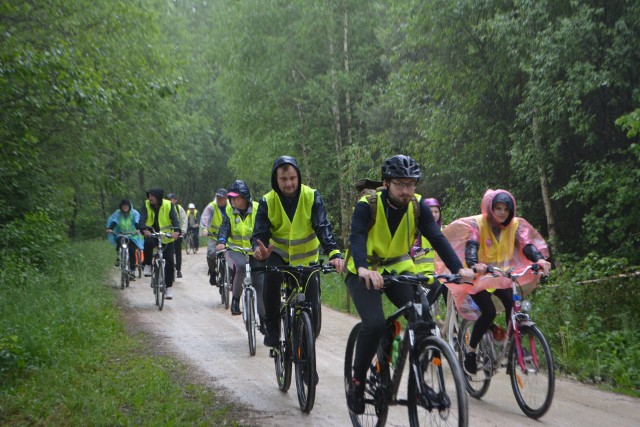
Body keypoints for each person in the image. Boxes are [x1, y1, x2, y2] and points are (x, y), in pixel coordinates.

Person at [344, 154, 475, 415]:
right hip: (364, 269)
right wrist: (362, 268)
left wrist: (458, 269)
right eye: (400, 184)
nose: (407, 190)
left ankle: (420, 383)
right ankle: (357, 382)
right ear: (386, 183)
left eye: (411, 184)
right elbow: (357, 237)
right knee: (374, 323)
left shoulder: (418, 206)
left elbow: (437, 238)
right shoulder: (367, 205)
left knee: (424, 319)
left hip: (398, 267)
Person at [436, 189, 551, 375]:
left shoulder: (515, 226)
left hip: (500, 276)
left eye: (506, 209)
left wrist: (538, 259)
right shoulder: (478, 225)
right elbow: (471, 246)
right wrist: (474, 265)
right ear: (491, 208)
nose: (502, 212)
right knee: (488, 312)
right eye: (498, 208)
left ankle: (515, 347)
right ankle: (471, 352)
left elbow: (526, 244)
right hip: (478, 278)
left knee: (513, 305)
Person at [251, 155, 345, 348]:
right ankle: (273, 328)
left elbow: (322, 226)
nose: (289, 183)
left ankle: (307, 356)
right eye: (283, 179)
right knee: (272, 277)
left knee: (313, 313)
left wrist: (334, 253)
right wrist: (258, 250)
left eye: (292, 178)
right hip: (278, 254)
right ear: (275, 180)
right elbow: (259, 233)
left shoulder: (311, 196)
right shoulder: (267, 201)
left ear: (299, 177)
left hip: (306, 259)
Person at [216, 180, 263, 317]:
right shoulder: (230, 211)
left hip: (255, 250)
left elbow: (262, 229)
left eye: (236, 198)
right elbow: (224, 228)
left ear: (245, 197)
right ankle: (236, 299)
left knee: (259, 283)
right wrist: (221, 241)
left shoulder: (258, 209)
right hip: (235, 250)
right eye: (231, 198)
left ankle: (264, 319)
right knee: (241, 266)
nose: (233, 201)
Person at [139, 188, 181, 300]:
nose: (150, 198)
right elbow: (142, 219)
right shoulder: (146, 204)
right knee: (147, 243)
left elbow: (175, 219)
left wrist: (177, 231)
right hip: (151, 233)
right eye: (149, 196)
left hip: (166, 236)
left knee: (170, 262)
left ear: (158, 197)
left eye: (152, 196)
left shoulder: (168, 205)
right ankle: (147, 264)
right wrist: (143, 229)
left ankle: (168, 288)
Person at [411, 198, 446, 300]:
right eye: (430, 212)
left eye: (436, 211)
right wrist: (418, 250)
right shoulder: (418, 232)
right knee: (426, 303)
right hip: (422, 274)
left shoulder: (445, 230)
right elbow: (409, 250)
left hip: (441, 273)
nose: (434, 214)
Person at [106, 199, 143, 278]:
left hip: (133, 235)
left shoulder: (134, 213)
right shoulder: (118, 213)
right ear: (121, 207)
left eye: (126, 206)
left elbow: (136, 222)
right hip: (121, 234)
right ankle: (119, 258)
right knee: (119, 243)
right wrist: (110, 228)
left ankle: (132, 270)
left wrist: (138, 229)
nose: (125, 207)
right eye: (123, 206)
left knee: (132, 250)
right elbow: (115, 221)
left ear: (129, 206)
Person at [200, 188, 229, 285]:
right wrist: (204, 229)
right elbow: (206, 218)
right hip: (213, 235)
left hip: (226, 236)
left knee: (231, 254)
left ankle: (228, 275)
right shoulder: (211, 207)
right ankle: (212, 272)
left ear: (226, 198)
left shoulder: (231, 206)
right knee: (211, 253)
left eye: (222, 198)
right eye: (218, 197)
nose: (219, 199)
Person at [168, 193, 187, 278]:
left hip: (177, 234)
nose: (169, 200)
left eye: (171, 199)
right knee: (169, 252)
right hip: (168, 234)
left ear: (175, 200)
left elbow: (184, 220)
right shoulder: (165, 207)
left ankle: (178, 270)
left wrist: (182, 231)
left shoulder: (179, 208)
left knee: (178, 252)